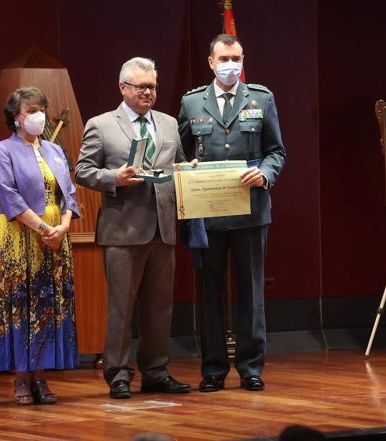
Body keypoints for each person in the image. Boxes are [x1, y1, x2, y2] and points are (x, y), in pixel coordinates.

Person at [75, 57, 191, 399]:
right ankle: (119, 374)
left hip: (164, 228)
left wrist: (190, 169)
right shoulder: (101, 124)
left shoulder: (169, 124)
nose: (148, 93)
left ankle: (156, 371)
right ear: (123, 88)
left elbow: (179, 164)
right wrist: (115, 178)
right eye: (141, 86)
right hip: (123, 230)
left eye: (153, 86)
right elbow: (83, 171)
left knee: (159, 307)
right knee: (121, 307)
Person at [178, 34, 286, 392]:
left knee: (251, 292)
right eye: (224, 58)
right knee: (209, 293)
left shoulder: (261, 98)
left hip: (251, 211)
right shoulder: (192, 103)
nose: (231, 64)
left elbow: (276, 152)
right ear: (211, 62)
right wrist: (187, 165)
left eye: (236, 58)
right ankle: (212, 369)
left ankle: (251, 367)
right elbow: (181, 152)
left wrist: (266, 174)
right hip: (207, 215)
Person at [0, 86, 80, 405]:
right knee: (21, 305)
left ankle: (41, 373)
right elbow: (8, 195)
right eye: (32, 111)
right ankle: (21, 378)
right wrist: (43, 228)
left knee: (48, 305)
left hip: (55, 237)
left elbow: (69, 193)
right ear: (16, 117)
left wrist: (64, 227)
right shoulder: (2, 150)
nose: (39, 116)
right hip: (20, 236)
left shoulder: (55, 150)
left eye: (42, 109)